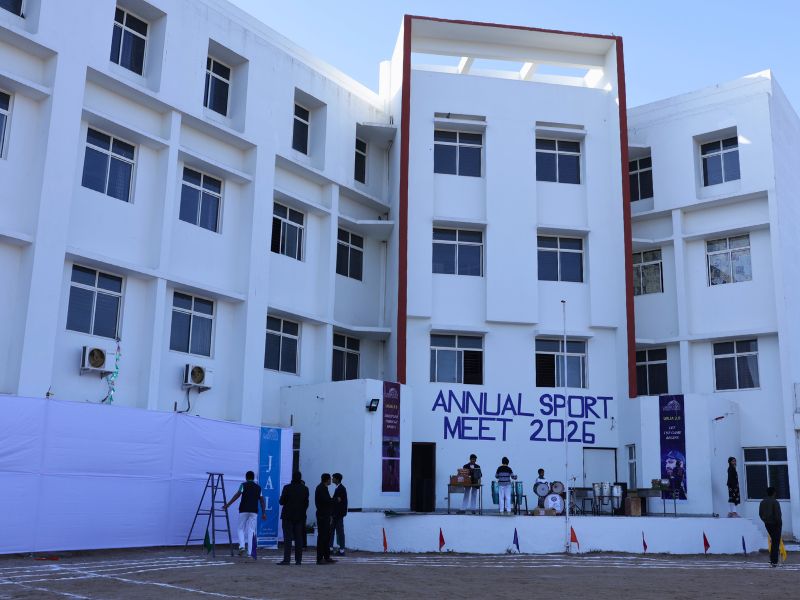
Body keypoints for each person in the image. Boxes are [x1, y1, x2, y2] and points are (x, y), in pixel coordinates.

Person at [222, 471, 266, 556]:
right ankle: (250, 552)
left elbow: (237, 495)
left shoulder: (243, 485)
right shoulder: (258, 487)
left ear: (246, 477)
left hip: (243, 510)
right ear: (253, 478)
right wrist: (264, 512)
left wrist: (228, 504)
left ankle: (242, 546)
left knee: (240, 528)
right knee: (251, 530)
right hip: (254, 511)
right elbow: (262, 500)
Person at [277, 471, 309, 565]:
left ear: (292, 477)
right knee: (299, 539)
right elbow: (306, 503)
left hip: (287, 516)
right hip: (299, 516)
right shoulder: (305, 489)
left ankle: (287, 559)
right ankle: (298, 560)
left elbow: (281, 502)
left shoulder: (287, 487)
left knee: (288, 539)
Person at [315, 473, 336, 564]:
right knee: (322, 537)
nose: (331, 480)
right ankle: (320, 558)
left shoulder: (323, 488)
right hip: (322, 516)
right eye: (330, 479)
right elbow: (326, 501)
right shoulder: (321, 488)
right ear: (327, 480)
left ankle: (327, 557)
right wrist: (335, 500)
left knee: (326, 536)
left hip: (325, 515)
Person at [759, 486, 782, 567]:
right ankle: (774, 561)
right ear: (774, 493)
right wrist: (779, 523)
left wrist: (765, 520)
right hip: (775, 524)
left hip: (767, 524)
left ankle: (772, 559)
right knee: (776, 542)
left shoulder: (762, 502)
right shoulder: (775, 502)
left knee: (773, 541)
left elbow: (760, 514)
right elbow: (777, 515)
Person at [330, 473, 348, 556]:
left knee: (339, 532)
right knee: (333, 531)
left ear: (337, 479)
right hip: (337, 514)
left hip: (338, 514)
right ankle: (332, 549)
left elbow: (339, 502)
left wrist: (330, 500)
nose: (332, 479)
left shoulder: (341, 488)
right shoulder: (339, 488)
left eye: (333, 478)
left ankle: (341, 550)